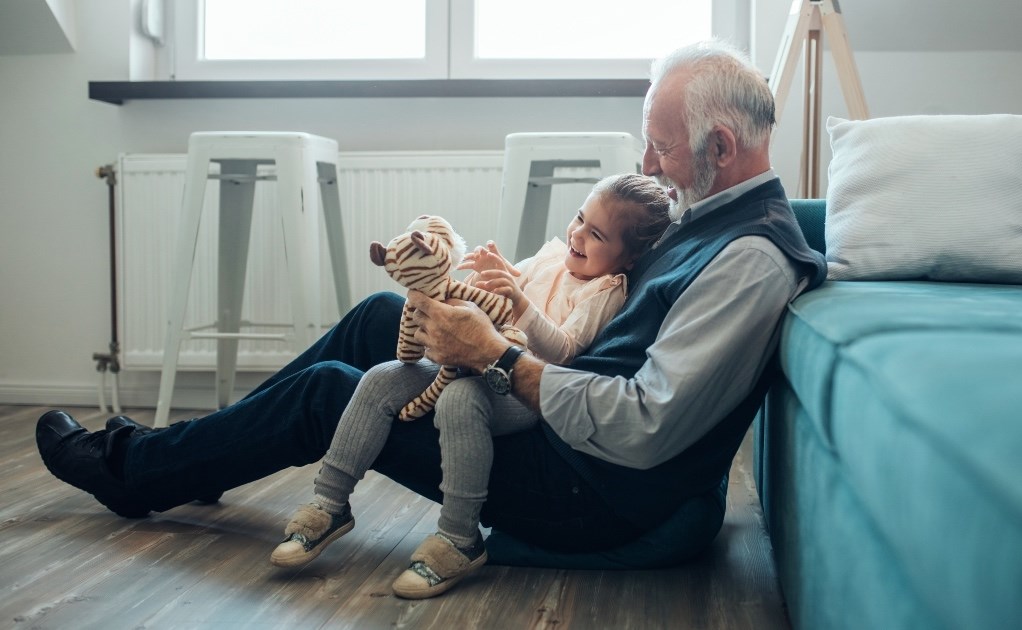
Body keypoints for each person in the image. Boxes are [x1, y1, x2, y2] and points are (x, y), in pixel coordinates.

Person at [34, 39, 827, 600]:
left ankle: (130, 473)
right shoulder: (709, 211)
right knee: (384, 313)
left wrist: (500, 359)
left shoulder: (748, 260)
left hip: (593, 490)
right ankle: (192, 461)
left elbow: (646, 426)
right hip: (560, 424)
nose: (647, 165)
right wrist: (503, 302)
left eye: (658, 148)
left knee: (333, 392)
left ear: (720, 145)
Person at [269, 174, 672, 599]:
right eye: (579, 219)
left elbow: (564, 352)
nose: (578, 235)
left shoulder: (605, 290)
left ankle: (459, 537)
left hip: (522, 388)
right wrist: (493, 276)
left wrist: (518, 300)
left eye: (596, 235)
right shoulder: (555, 255)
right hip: (473, 361)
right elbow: (506, 290)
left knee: (460, 400)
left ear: (628, 259)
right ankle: (329, 504)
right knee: (380, 379)